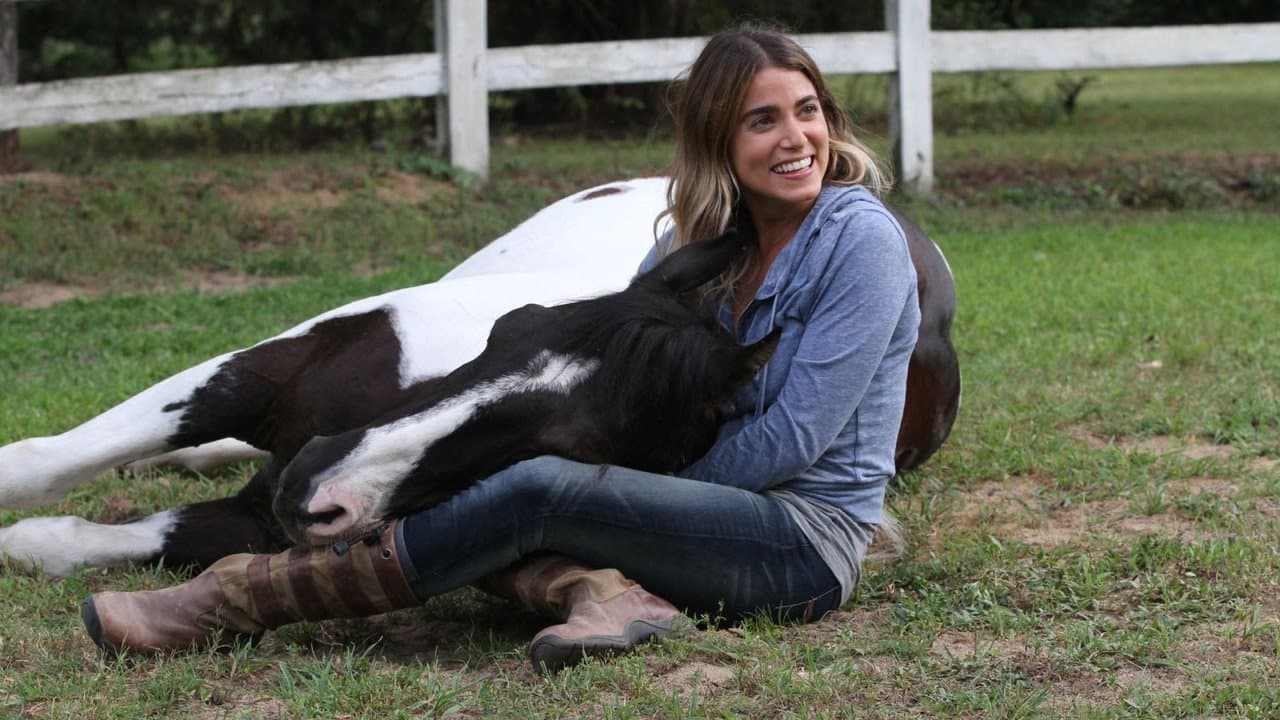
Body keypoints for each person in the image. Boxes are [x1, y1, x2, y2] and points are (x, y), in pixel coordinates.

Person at [81, 23, 920, 672]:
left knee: (535, 495)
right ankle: (611, 597)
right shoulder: (695, 245)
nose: (795, 139)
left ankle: (226, 601)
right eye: (762, 121)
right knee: (494, 472)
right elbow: (601, 363)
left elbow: (793, 440)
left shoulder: (860, 243)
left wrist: (612, 491)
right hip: (706, 514)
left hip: (799, 540)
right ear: (720, 142)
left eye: (806, 112)